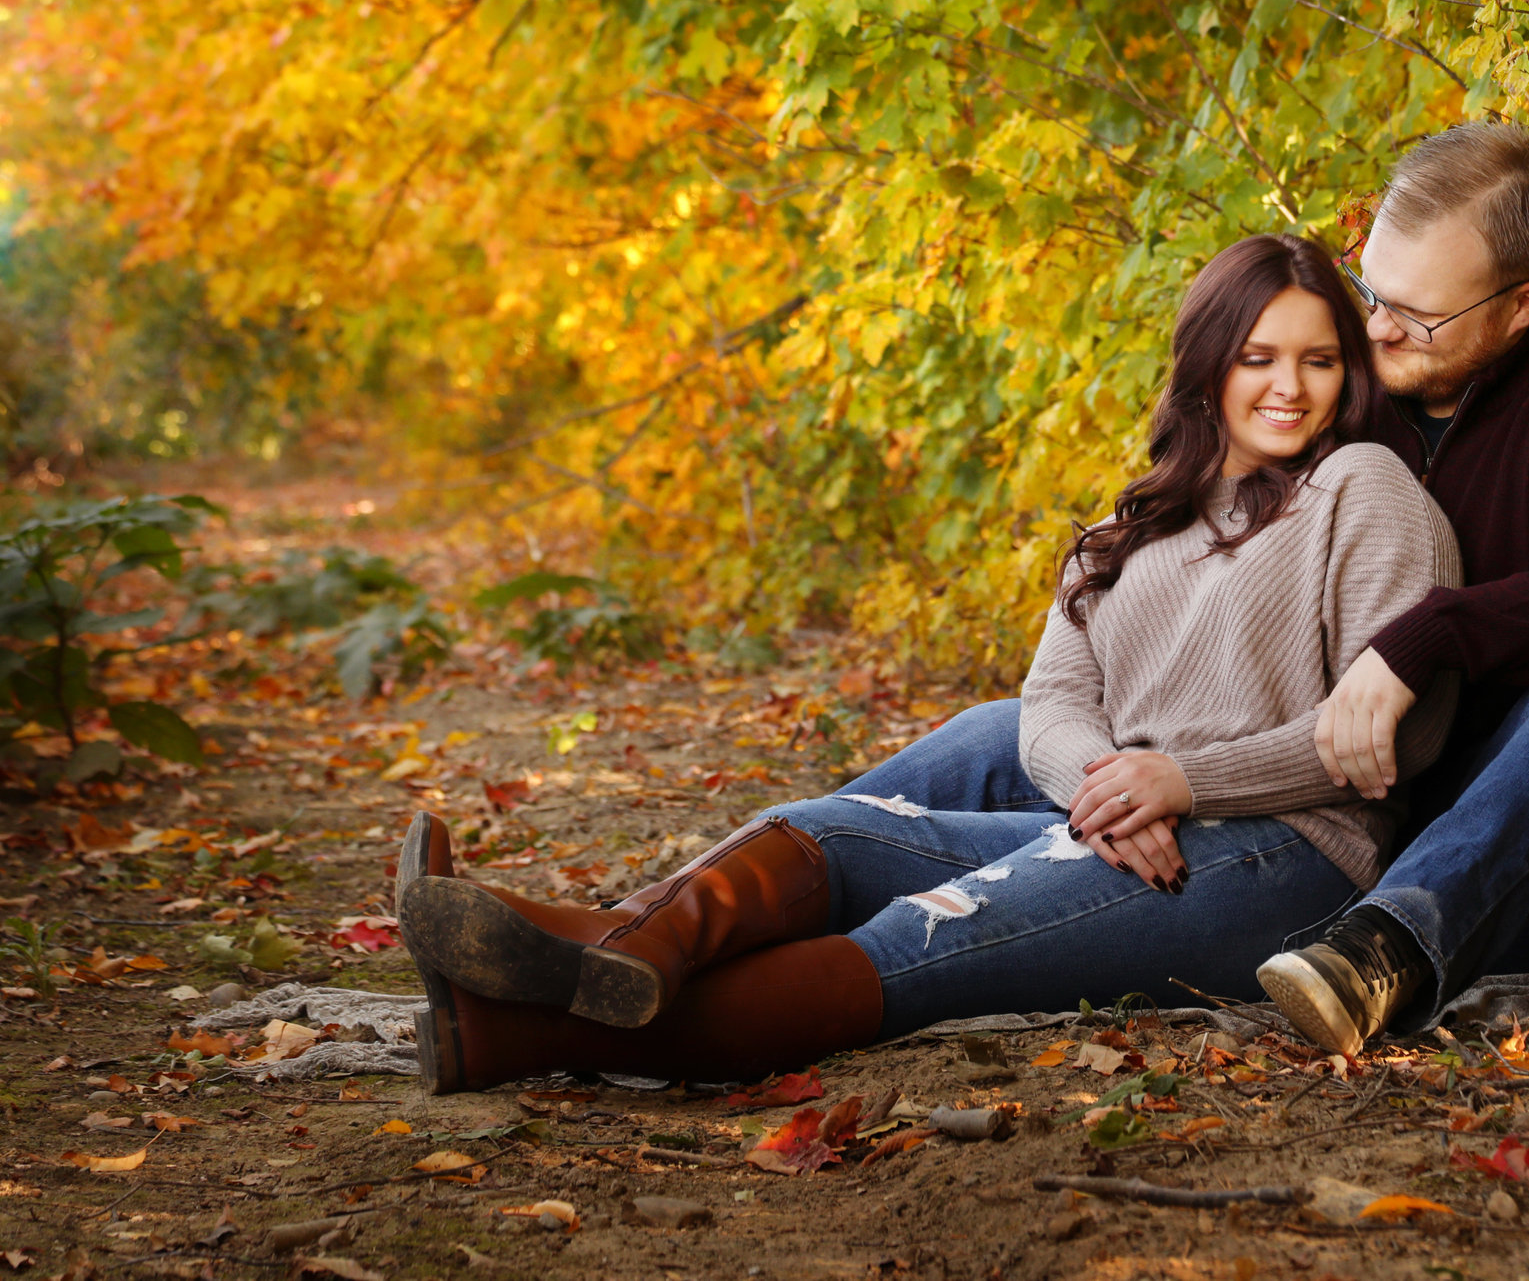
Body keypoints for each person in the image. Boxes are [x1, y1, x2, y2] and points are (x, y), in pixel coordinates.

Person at [394, 234, 1463, 1092]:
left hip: (1280, 858)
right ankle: (601, 957)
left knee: (917, 941)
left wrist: (1184, 779)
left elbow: (1398, 737)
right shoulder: (1131, 524)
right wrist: (1111, 786)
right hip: (1128, 829)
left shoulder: (1363, 487)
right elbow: (1049, 700)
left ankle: (531, 1019)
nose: (1290, 387)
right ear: (1206, 362)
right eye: (1258, 357)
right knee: (830, 832)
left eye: (1319, 359)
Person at [818, 121, 1529, 1058]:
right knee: (998, 727)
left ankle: (1389, 952)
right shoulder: (1361, 390)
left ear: (1521, 304)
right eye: (1371, 291)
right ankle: (789, 872)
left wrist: (1432, 634)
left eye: (1416, 316)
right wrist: (1135, 774)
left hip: (1525, 852)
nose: (1376, 328)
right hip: (1327, 802)